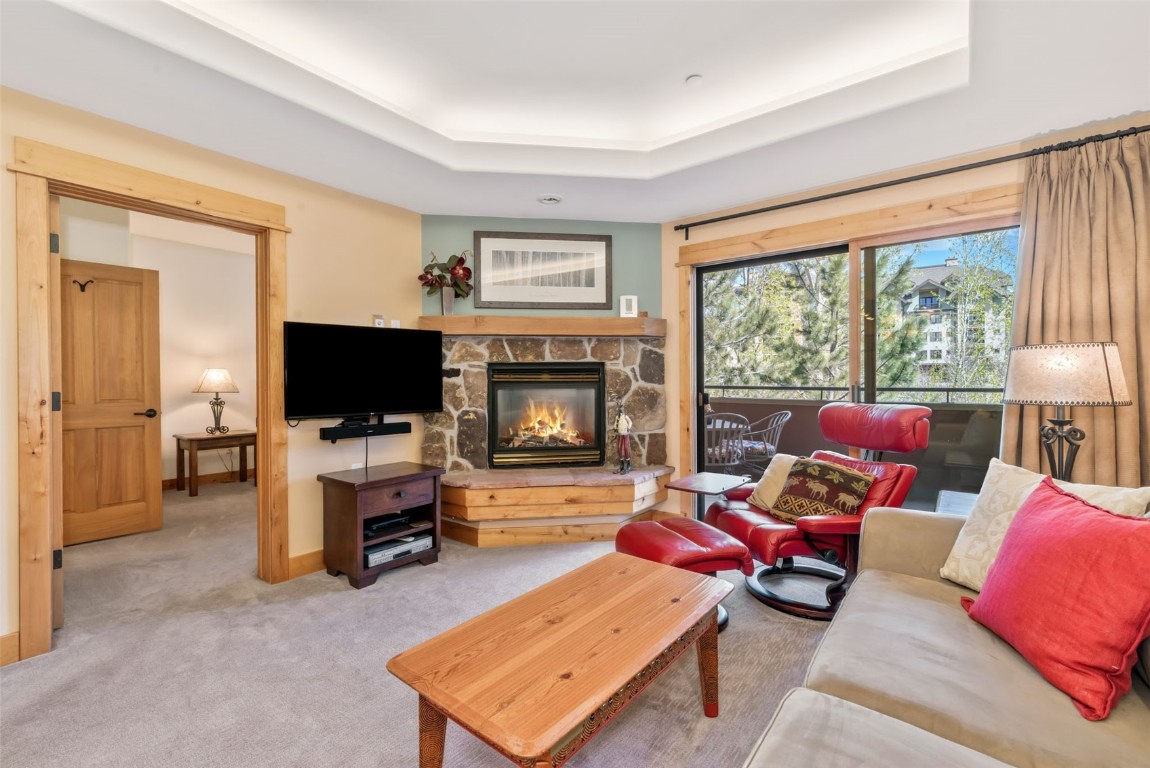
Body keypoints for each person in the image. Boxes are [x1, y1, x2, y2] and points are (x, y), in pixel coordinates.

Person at [613, 402, 633, 474]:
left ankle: (628, 464)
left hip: (625, 434)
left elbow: (630, 422)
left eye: (621, 409)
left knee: (626, 447)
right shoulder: (617, 417)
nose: (620, 410)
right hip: (620, 434)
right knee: (619, 447)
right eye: (619, 409)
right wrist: (615, 428)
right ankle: (621, 464)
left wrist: (628, 428)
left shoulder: (625, 416)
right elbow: (616, 423)